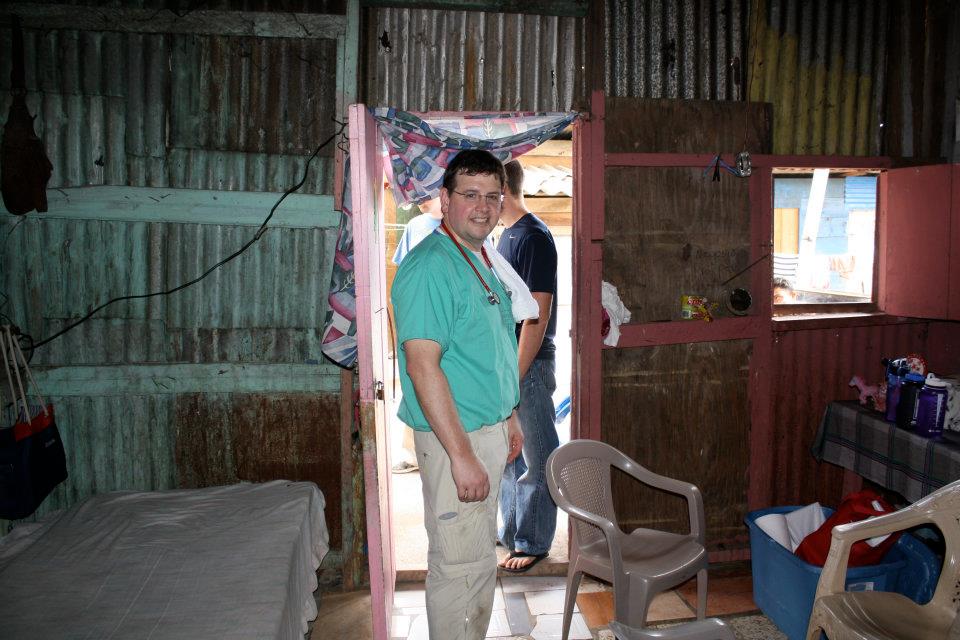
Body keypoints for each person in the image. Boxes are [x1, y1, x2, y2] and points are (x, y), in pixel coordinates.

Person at [391, 149, 524, 640]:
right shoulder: (430, 267)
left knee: (475, 560)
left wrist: (509, 416)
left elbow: (486, 351)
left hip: (483, 430)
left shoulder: (478, 256)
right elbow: (424, 368)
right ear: (444, 200)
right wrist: (463, 455)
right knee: (456, 566)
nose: (484, 206)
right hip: (457, 441)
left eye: (493, 196)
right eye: (470, 195)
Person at [495, 160, 559, 573]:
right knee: (508, 453)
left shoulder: (533, 237)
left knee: (538, 454)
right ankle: (513, 530)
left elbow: (537, 315)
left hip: (529, 365)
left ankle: (533, 541)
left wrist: (515, 375)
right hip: (508, 364)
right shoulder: (507, 237)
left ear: (503, 187)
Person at [391, 197, 443, 474]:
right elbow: (403, 274)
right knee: (416, 380)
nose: (419, 200)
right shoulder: (416, 225)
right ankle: (414, 454)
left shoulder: (460, 227)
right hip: (419, 318)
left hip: (447, 323)